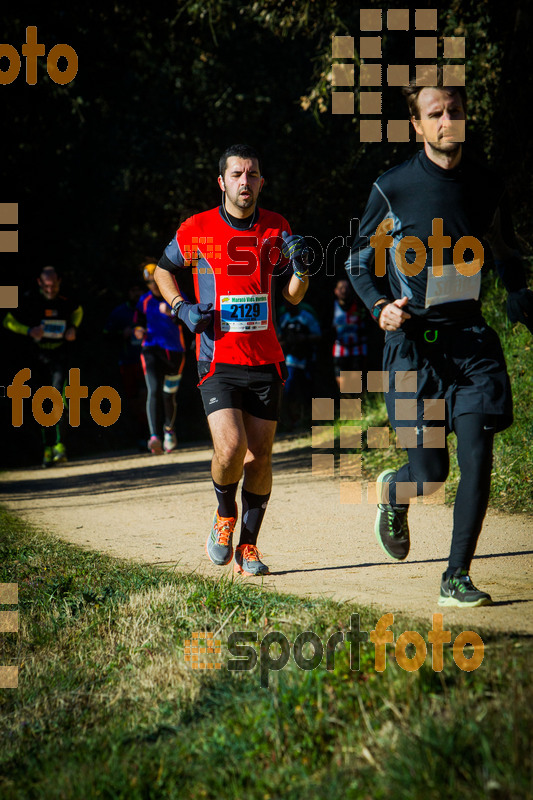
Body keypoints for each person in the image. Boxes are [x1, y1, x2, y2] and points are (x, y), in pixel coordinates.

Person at [346, 73, 533, 607]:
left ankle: (456, 576)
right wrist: (381, 307)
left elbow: (504, 246)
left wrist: (517, 292)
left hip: (471, 342)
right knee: (430, 472)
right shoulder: (394, 185)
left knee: (477, 456)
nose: (447, 120)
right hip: (414, 344)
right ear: (417, 123)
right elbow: (359, 260)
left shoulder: (488, 183)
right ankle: (395, 491)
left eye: (454, 110)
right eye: (435, 113)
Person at [154, 143, 310, 576]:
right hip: (216, 358)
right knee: (230, 447)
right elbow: (162, 271)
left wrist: (303, 271)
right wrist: (181, 308)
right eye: (238, 174)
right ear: (222, 182)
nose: (246, 181)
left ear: (262, 181)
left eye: (253, 174)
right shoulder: (197, 228)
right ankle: (225, 514)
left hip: (265, 361)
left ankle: (248, 546)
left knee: (260, 455)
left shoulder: (278, 228)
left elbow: (291, 296)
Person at [3, 266, 83, 466]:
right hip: (36, 359)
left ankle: (60, 446)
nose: (50, 289)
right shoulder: (29, 300)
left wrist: (73, 328)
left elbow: (78, 312)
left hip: (60, 356)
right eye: (46, 286)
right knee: (42, 403)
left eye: (53, 285)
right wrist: (29, 330)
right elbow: (8, 321)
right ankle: (47, 449)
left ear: (59, 282)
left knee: (57, 398)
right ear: (40, 283)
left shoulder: (66, 299)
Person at [133, 261, 187, 454]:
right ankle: (154, 436)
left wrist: (173, 313)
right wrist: (138, 331)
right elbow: (138, 322)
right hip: (151, 349)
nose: (153, 286)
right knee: (153, 390)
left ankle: (169, 430)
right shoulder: (144, 301)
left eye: (155, 281)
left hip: (174, 353)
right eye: (149, 283)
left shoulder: (175, 296)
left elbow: (189, 318)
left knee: (168, 395)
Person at [103, 281, 147, 445]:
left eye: (139, 290)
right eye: (133, 289)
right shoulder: (120, 312)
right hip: (128, 362)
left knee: (148, 396)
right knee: (134, 401)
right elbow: (106, 335)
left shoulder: (150, 307)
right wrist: (123, 333)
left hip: (149, 361)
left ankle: (155, 434)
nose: (136, 293)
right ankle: (141, 436)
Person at [277, 300, 321, 429]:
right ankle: (292, 421)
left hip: (307, 358)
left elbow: (318, 335)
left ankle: (313, 420)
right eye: (286, 303)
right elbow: (279, 338)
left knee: (310, 390)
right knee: (288, 390)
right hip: (290, 359)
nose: (289, 305)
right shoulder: (283, 318)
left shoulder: (306, 316)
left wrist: (303, 338)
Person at [332, 277, 368, 394]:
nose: (344, 290)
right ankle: (347, 403)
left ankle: (360, 406)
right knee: (343, 384)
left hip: (358, 349)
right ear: (336, 291)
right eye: (341, 288)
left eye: (346, 288)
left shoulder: (360, 306)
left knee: (356, 383)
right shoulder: (331, 307)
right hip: (340, 350)